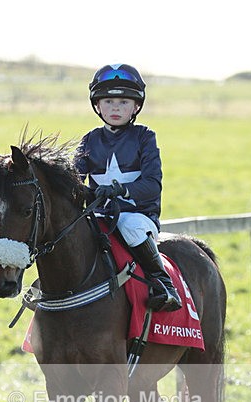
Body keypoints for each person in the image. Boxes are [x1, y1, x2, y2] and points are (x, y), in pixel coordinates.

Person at [74, 64, 181, 312]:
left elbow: (152, 186)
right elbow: (74, 179)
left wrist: (120, 190)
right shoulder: (89, 139)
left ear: (135, 107)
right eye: (108, 101)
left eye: (123, 102)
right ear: (97, 105)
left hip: (138, 216)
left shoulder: (145, 137)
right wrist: (83, 192)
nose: (115, 108)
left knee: (129, 226)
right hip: (99, 214)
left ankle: (163, 284)